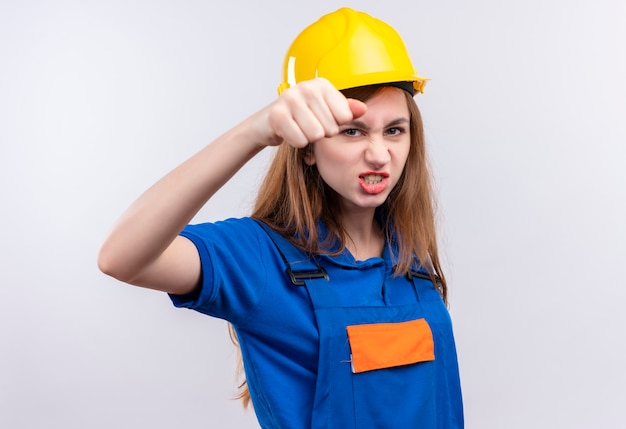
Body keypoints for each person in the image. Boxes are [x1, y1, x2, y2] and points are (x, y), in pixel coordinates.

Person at [98, 7, 463, 428]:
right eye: (352, 131)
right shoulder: (260, 259)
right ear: (306, 145)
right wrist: (253, 132)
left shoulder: (410, 262)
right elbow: (121, 257)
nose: (379, 154)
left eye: (394, 130)